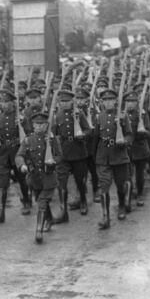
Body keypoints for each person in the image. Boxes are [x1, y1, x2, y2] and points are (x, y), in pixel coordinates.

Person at [16, 112, 62, 243]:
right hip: (34, 179)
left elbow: (60, 155)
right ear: (33, 125)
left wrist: (53, 161)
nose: (39, 127)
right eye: (37, 124)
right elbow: (19, 155)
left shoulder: (52, 140)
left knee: (41, 203)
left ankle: (38, 231)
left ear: (46, 125)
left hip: (49, 178)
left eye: (42, 124)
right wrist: (22, 165)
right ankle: (49, 219)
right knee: (40, 200)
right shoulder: (28, 140)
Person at [0, 88, 31, 223]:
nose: (4, 104)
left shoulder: (20, 117)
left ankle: (26, 201)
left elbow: (29, 135)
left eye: (7, 102)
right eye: (1, 101)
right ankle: (0, 211)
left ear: (13, 103)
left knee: (21, 180)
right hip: (2, 154)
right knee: (2, 183)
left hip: (17, 152)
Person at [94, 88, 132, 229]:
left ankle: (121, 206)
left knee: (121, 184)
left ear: (116, 101)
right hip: (103, 156)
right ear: (102, 102)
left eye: (111, 100)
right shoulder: (99, 117)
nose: (108, 102)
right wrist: (94, 157)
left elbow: (129, 134)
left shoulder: (122, 116)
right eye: (105, 100)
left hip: (119, 155)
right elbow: (96, 138)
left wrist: (125, 142)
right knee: (104, 187)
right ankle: (105, 217)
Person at [52, 89, 91, 221]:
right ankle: (63, 212)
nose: (64, 104)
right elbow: (54, 133)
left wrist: (82, 135)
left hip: (78, 152)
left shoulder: (79, 114)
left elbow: (88, 130)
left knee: (80, 180)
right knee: (61, 183)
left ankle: (83, 201)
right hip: (63, 154)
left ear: (72, 101)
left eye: (67, 101)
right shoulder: (57, 116)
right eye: (62, 101)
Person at [123, 91, 150, 207]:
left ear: (137, 103)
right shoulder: (121, 115)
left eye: (133, 102)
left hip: (140, 149)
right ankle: (127, 198)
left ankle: (140, 194)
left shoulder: (143, 115)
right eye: (128, 102)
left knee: (139, 175)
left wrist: (143, 131)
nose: (130, 104)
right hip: (126, 150)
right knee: (127, 175)